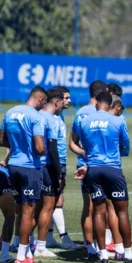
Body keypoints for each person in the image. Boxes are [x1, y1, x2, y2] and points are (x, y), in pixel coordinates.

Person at [76, 91, 132, 263]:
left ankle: (103, 254)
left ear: (97, 103)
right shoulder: (118, 121)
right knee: (122, 211)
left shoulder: (84, 121)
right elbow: (125, 145)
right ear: (110, 105)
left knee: (98, 211)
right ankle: (128, 254)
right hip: (113, 168)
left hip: (93, 169)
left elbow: (83, 145)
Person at [0, 86, 48, 263]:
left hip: (13, 166)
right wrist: (42, 151)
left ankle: (21, 252)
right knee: (28, 212)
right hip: (30, 168)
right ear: (40, 99)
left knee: (19, 210)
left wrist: (17, 146)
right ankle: (21, 257)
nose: (43, 106)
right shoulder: (36, 117)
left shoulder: (10, 112)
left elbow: (1, 141)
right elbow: (40, 148)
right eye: (44, 103)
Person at [69, 80, 112, 260]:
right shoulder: (105, 112)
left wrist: (83, 152)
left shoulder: (80, 113)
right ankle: (107, 243)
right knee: (106, 205)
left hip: (83, 164)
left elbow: (72, 142)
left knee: (89, 206)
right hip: (105, 164)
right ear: (106, 92)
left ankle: (89, 246)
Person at [34, 88, 65, 258]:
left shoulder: (35, 115)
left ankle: (20, 243)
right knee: (48, 207)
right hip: (47, 167)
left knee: (31, 207)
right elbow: (52, 149)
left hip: (33, 166)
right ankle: (40, 247)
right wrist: (60, 174)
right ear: (57, 102)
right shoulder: (52, 120)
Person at [46, 86, 79, 250]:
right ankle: (64, 238)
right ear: (57, 100)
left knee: (55, 200)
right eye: (66, 98)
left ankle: (48, 237)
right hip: (53, 162)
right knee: (56, 200)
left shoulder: (61, 116)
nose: (69, 101)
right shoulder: (50, 117)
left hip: (60, 161)